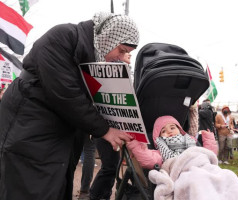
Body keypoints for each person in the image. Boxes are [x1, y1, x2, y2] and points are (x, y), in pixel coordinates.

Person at [0, 12, 137, 200]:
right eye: (121, 50)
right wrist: (105, 130)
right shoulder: (63, 36)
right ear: (109, 36)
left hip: (58, 135)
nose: (122, 57)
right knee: (29, 187)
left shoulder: (94, 58)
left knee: (54, 186)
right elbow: (66, 94)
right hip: (30, 127)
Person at [89, 50, 137, 200]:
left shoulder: (127, 73)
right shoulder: (112, 70)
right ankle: (96, 195)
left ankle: (102, 194)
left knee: (113, 166)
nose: (129, 54)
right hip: (106, 127)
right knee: (110, 166)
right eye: (125, 51)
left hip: (114, 127)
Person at [126, 115, 218, 168]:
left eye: (172, 128)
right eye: (163, 131)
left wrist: (209, 139)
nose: (169, 131)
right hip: (183, 173)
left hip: (201, 166)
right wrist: (137, 146)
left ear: (180, 130)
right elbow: (149, 160)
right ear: (158, 137)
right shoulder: (161, 150)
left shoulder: (191, 140)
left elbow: (209, 155)